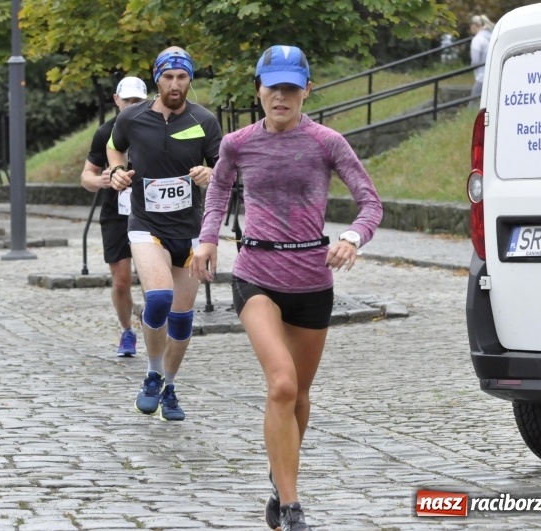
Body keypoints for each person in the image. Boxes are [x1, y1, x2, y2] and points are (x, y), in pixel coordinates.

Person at [190, 45, 382, 530]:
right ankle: (292, 506)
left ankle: (280, 477)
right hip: (257, 276)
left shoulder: (327, 142)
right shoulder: (236, 143)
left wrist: (352, 238)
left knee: (298, 397)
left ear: (306, 91)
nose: (281, 96)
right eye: (273, 87)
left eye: (291, 88)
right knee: (280, 383)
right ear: (259, 89)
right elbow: (218, 189)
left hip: (312, 282)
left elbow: (370, 203)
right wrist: (208, 238)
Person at [108, 46, 222, 421]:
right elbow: (114, 148)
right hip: (146, 226)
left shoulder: (204, 120)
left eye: (182, 77)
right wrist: (116, 173)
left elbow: (224, 168)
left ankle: (168, 384)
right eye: (169, 77)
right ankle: (152, 373)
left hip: (189, 232)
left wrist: (210, 174)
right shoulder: (133, 117)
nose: (175, 85)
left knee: (182, 319)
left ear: (190, 80)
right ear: (157, 78)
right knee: (158, 299)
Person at [81, 76, 148, 357]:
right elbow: (86, 176)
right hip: (116, 214)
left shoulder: (156, 129)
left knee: (153, 279)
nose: (131, 106)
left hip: (150, 211)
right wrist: (101, 181)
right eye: (127, 100)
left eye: (137, 101)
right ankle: (126, 331)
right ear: (116, 100)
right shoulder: (105, 132)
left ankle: (157, 329)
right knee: (121, 280)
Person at [469, 14, 495, 99]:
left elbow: (475, 61)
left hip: (482, 77)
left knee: (473, 103)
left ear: (474, 26)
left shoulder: (477, 40)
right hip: (494, 75)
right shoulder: (491, 37)